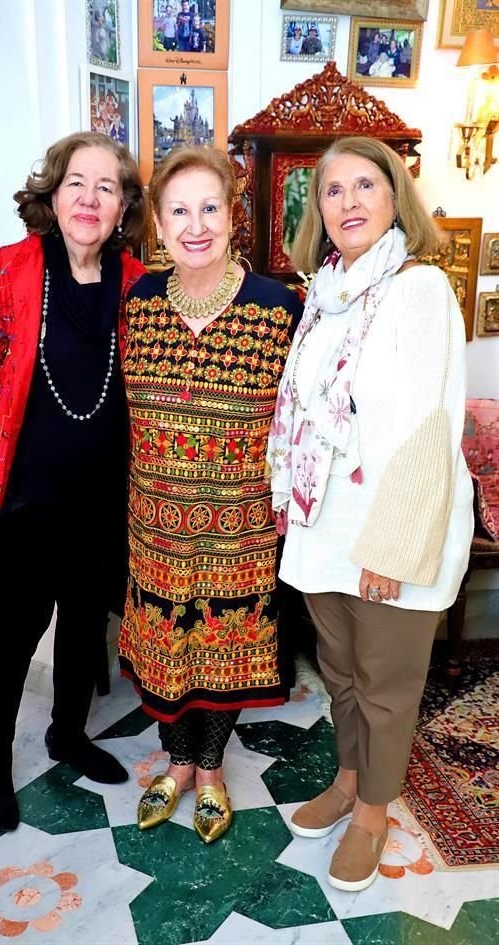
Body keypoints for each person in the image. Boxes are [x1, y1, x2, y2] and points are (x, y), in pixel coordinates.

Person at [267, 136, 474, 891]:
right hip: (327, 524)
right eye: (332, 190)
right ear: (317, 210)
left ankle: (373, 813)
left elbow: (428, 424)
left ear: (394, 198)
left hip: (390, 529)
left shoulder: (417, 289)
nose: (348, 202)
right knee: (342, 673)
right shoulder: (325, 293)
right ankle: (350, 780)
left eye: (365, 185)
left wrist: (393, 546)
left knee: (386, 683)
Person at [0, 132, 147, 832]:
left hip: (102, 498)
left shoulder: (138, 284)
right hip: (19, 496)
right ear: (51, 195)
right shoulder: (7, 272)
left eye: (106, 186)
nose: (90, 198)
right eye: (76, 183)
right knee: (12, 633)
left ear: (123, 206)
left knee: (87, 626)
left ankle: (67, 732)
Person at [118, 147, 303, 843]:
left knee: (223, 643)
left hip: (240, 524)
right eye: (179, 211)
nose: (195, 225)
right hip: (155, 518)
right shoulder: (138, 305)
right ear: (159, 227)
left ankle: (213, 768)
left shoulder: (277, 308)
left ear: (232, 217)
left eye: (209, 208)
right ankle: (177, 760)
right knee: (166, 642)